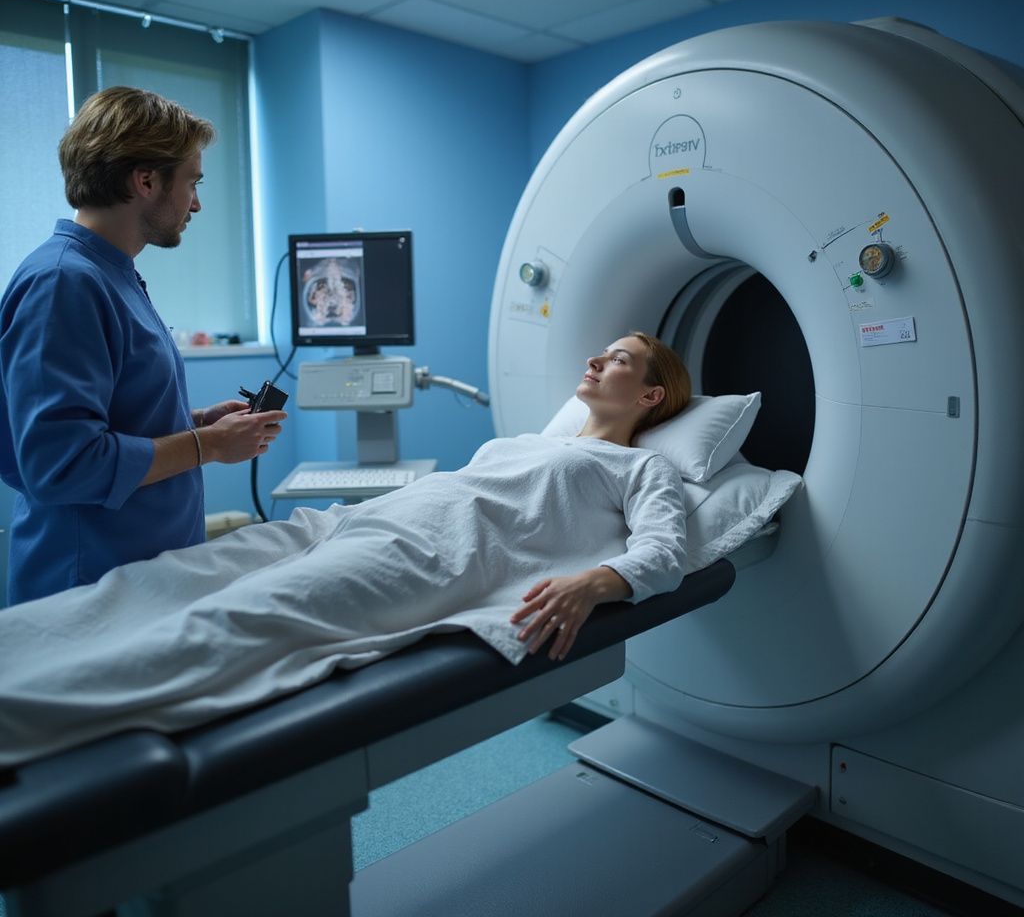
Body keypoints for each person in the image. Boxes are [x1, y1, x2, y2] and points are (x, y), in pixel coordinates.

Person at [0, 333, 690, 766]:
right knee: (166, 580)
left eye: (618, 360)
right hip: (352, 521)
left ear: (651, 394)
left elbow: (666, 550)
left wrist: (595, 582)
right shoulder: (532, 442)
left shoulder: (641, 468)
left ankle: (22, 713)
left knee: (237, 617)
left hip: (431, 556)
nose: (595, 359)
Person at [0, 86, 287, 606]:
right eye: (192, 182)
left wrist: (196, 422)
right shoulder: (64, 282)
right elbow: (63, 464)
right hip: (88, 590)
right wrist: (210, 445)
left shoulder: (112, 275)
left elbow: (114, 417)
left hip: (143, 578)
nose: (196, 203)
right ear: (147, 180)